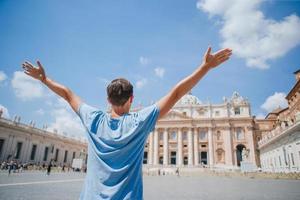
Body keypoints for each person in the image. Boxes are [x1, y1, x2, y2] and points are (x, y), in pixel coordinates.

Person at [22, 46, 232, 200]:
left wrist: (43, 79)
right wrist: (205, 67)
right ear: (132, 99)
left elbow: (67, 94)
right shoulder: (140, 121)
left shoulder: (93, 118)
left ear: (108, 100)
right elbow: (176, 93)